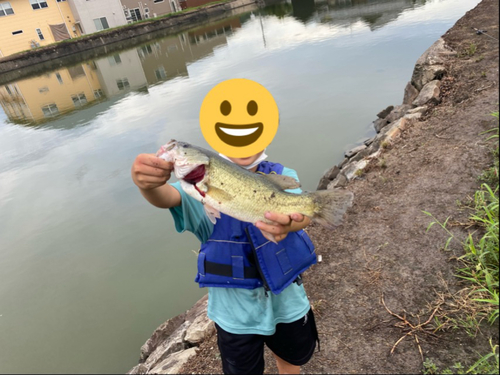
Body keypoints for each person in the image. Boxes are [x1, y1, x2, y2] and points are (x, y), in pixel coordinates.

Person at [131, 149, 319, 374]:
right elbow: (166, 197)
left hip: (288, 305)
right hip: (233, 317)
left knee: (290, 358)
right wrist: (146, 185)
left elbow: (301, 214)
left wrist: (290, 224)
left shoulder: (281, 174)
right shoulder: (195, 191)